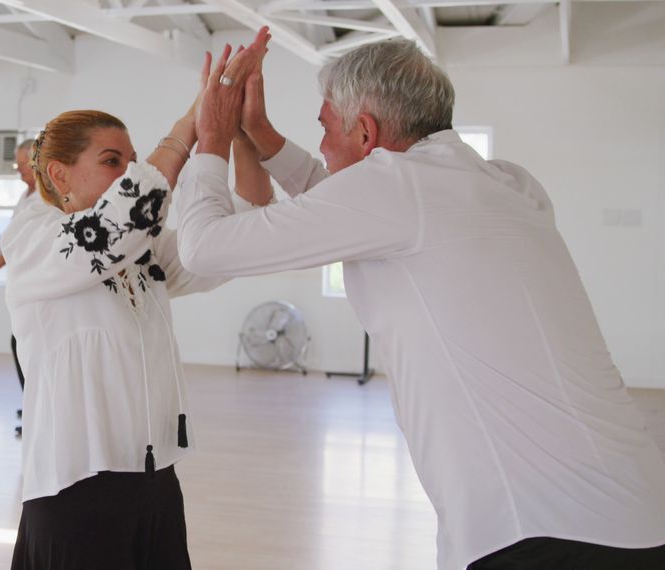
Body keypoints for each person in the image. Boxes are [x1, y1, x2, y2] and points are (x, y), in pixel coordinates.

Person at [176, 33, 665, 569]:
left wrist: (213, 138)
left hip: (543, 531)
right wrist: (263, 136)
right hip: (637, 509)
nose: (319, 144)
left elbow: (202, 248)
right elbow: (347, 203)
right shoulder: (509, 183)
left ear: (366, 132)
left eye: (324, 127)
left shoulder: (397, 189)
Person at [2, 48, 269, 569]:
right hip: (75, 492)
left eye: (130, 161)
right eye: (111, 162)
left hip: (155, 483)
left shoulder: (143, 249)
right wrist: (192, 124)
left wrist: (238, 131)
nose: (129, 174)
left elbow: (237, 240)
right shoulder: (32, 242)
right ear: (59, 175)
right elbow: (117, 221)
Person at [0, 139, 39, 436]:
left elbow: (26, 241)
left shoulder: (44, 200)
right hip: (22, 291)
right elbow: (10, 235)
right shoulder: (26, 196)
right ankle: (32, 406)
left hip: (37, 290)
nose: (18, 172)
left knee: (28, 348)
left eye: (22, 165)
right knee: (20, 346)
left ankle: (37, 412)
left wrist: (0, 255)